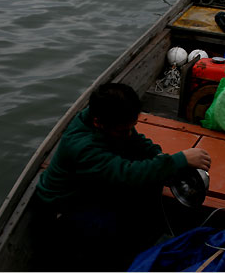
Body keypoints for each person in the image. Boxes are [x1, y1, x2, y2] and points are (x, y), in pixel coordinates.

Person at [34, 83, 211, 271]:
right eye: (122, 130)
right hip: (63, 208)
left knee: (150, 182)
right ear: (97, 123)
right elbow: (127, 175)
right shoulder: (83, 147)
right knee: (118, 219)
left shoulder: (107, 119)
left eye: (131, 126)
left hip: (88, 187)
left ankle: (142, 241)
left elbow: (135, 140)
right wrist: (179, 160)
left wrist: (159, 157)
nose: (128, 132)